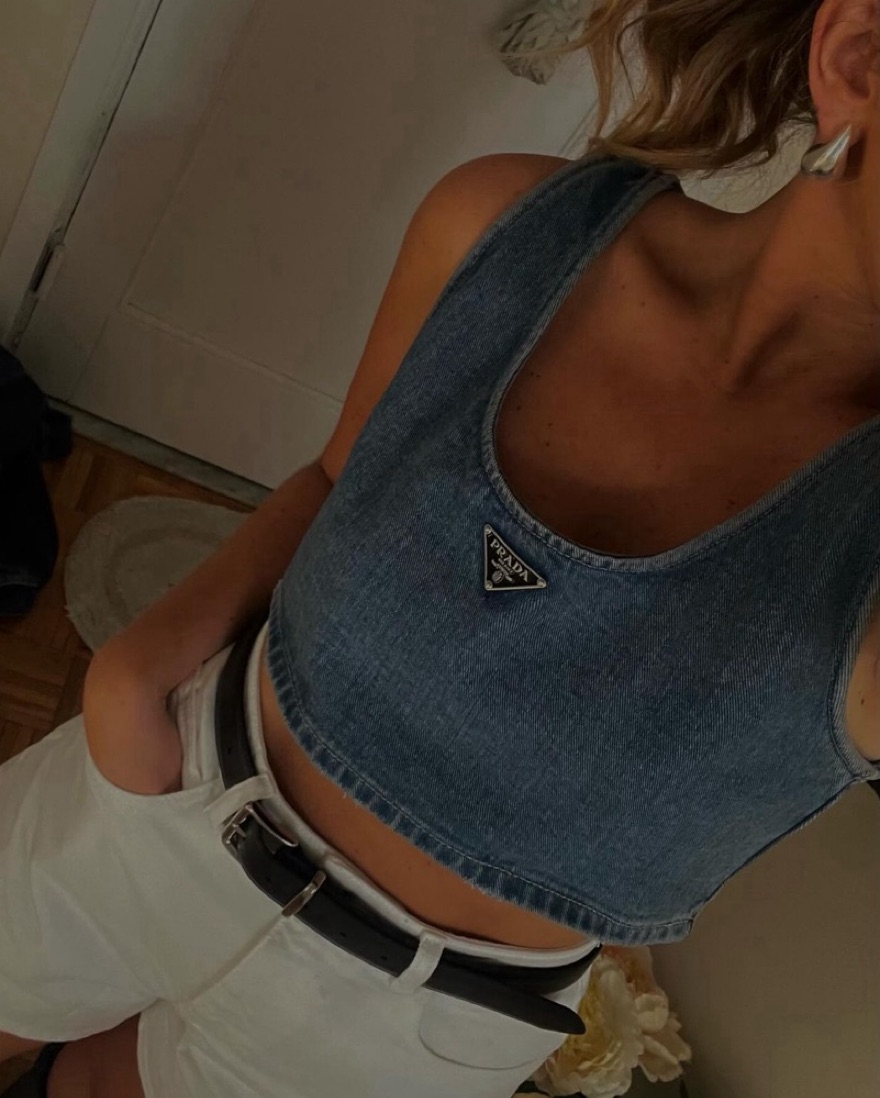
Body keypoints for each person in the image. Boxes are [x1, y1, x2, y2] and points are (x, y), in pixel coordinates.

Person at [2, 0, 879, 1094]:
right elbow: (337, 477)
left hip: (397, 1040)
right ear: (858, 54)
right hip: (166, 785)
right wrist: (132, 677)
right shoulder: (505, 225)